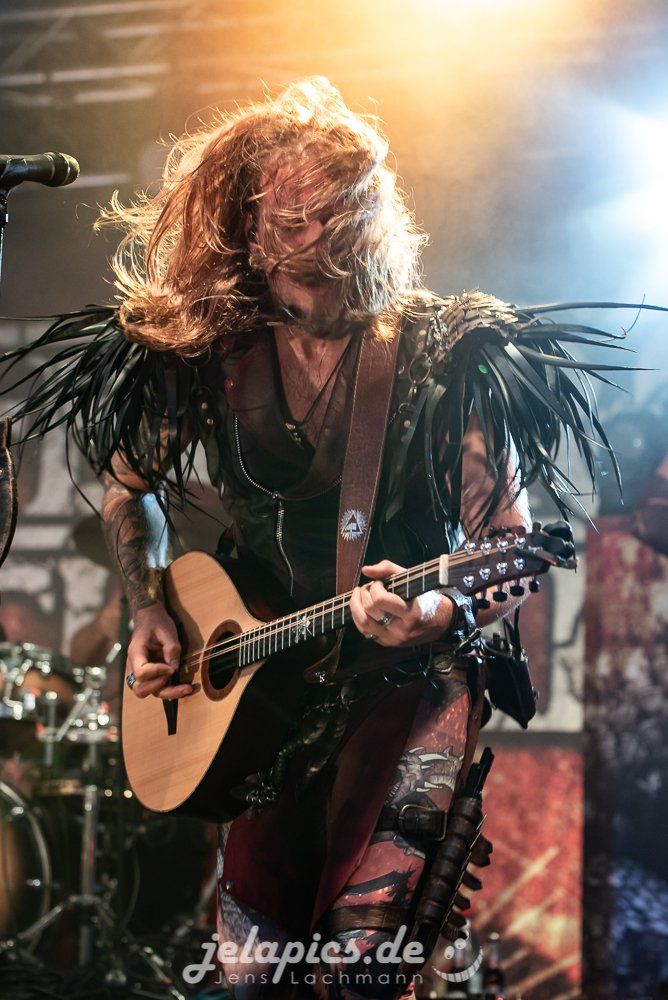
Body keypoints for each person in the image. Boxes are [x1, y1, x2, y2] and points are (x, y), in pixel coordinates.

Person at [0, 77, 628, 999]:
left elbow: (511, 540)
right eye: (285, 218)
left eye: (328, 214)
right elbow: (125, 493)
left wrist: (436, 610)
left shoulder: (447, 355)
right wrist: (149, 607)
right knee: (255, 969)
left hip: (405, 676)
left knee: (364, 963)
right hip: (269, 692)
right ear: (248, 225)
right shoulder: (210, 355)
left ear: (367, 218)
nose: (306, 237)